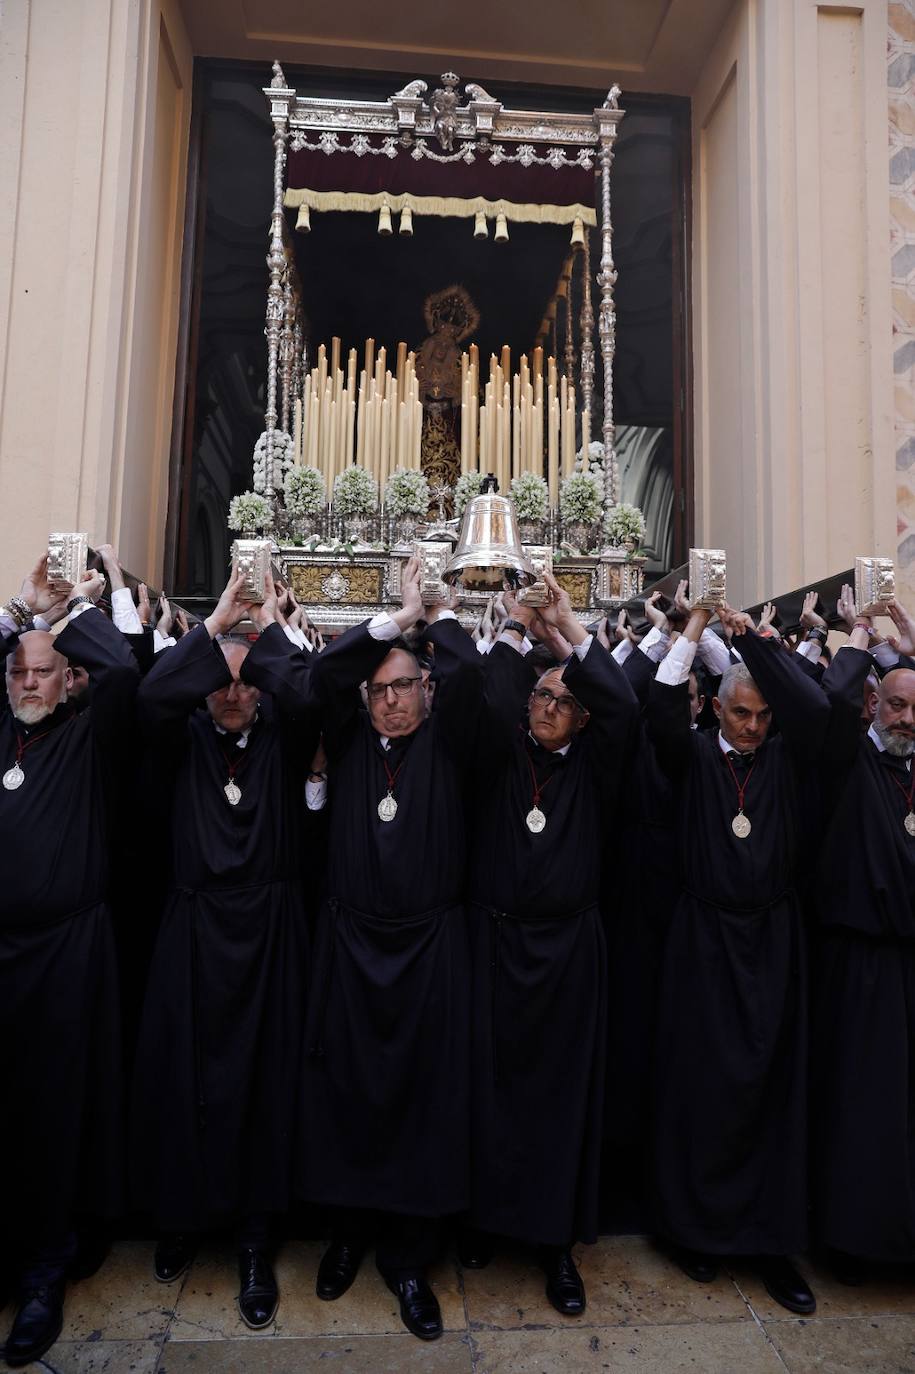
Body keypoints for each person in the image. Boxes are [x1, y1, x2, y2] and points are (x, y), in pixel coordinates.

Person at [129, 569, 320, 1328]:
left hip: (268, 934)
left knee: (258, 1086)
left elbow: (308, 694)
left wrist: (267, 620)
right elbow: (147, 695)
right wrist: (212, 628)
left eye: (246, 685)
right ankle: (183, 1217)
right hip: (194, 930)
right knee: (182, 1077)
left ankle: (251, 1238)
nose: (233, 697)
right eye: (220, 684)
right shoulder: (178, 739)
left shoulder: (284, 733)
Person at [299, 558, 483, 1342]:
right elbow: (314, 680)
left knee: (417, 1100)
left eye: (403, 685)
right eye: (378, 689)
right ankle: (348, 1233)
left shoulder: (451, 743)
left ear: (426, 691)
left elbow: (477, 674)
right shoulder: (345, 739)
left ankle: (408, 1259)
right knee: (347, 1092)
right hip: (349, 944)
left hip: (429, 949)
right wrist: (390, 622)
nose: (389, 700)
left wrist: (430, 615)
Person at [644, 601, 831, 1315]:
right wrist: (694, 632)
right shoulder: (690, 753)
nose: (751, 727)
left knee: (770, 1089)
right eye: (738, 714)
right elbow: (660, 704)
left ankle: (769, 1243)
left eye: (760, 715)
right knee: (702, 1084)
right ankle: (694, 1231)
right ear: (715, 711)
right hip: (702, 939)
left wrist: (755, 643)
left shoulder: (790, 757)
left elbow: (815, 709)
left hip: (773, 940)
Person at [462, 573, 638, 1315]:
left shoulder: (597, 766)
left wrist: (566, 625)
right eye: (541, 696)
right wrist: (512, 625)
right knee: (489, 1089)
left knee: (559, 1100)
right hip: (495, 947)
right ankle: (484, 1222)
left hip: (568, 952)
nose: (548, 709)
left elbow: (625, 705)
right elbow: (484, 697)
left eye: (564, 701)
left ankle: (555, 1244)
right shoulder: (498, 757)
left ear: (581, 719)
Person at [0, 556, 139, 1367]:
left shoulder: (92, 736)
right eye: (17, 668)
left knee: (51, 1115)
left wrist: (78, 607)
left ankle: (45, 1273)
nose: (27, 681)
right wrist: (23, 608)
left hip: (63, 954)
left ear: (69, 684)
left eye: (44, 671)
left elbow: (122, 667)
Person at [806, 599, 915, 1276]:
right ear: (874, 703)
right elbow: (828, 700)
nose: (907, 719)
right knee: (863, 1112)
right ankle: (853, 1248)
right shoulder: (845, 760)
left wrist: (909, 645)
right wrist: (856, 638)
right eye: (896, 705)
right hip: (861, 968)